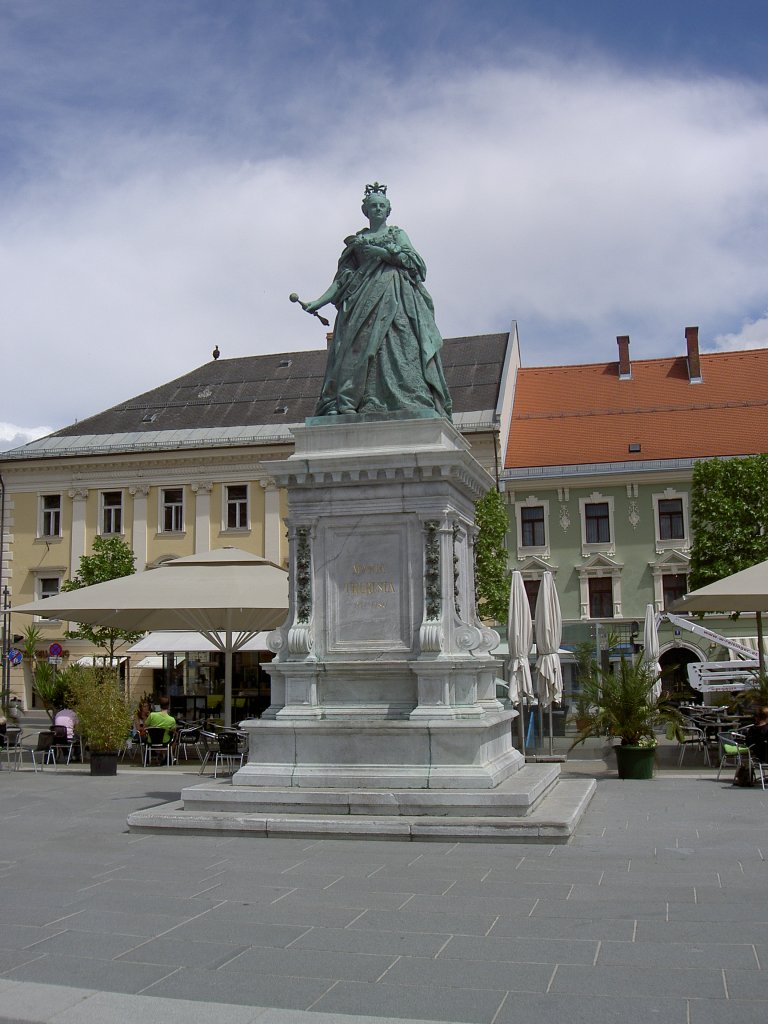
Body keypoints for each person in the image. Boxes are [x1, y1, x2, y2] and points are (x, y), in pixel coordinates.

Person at [303, 183, 453, 419]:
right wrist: (318, 302)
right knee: (357, 349)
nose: (378, 209)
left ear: (388, 210)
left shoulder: (397, 234)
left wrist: (382, 254)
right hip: (360, 302)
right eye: (373, 206)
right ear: (366, 211)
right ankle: (356, 399)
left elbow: (416, 264)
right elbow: (342, 281)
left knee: (399, 345)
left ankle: (406, 397)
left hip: (396, 296)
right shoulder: (357, 240)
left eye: (382, 206)